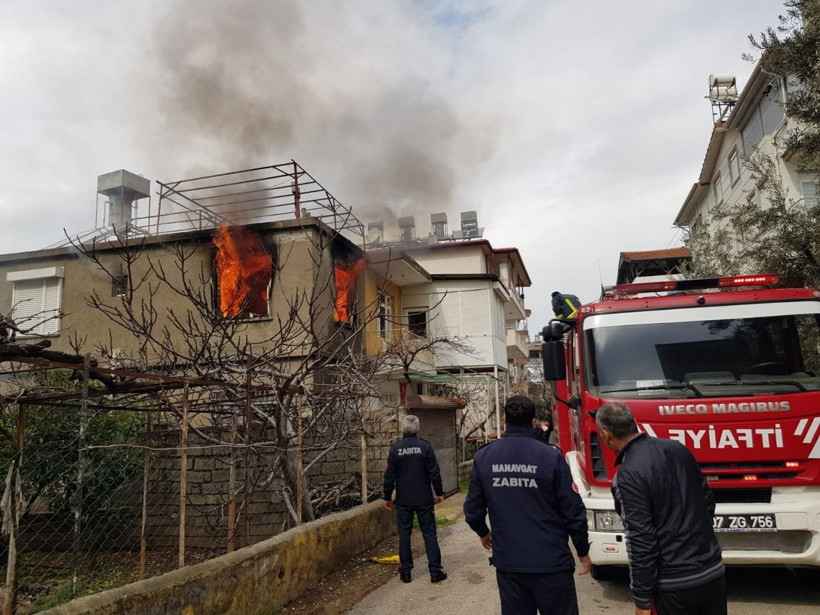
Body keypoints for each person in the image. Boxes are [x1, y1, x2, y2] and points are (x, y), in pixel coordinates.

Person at [464, 395, 591, 614]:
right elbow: (573, 510)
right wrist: (583, 551)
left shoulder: (484, 457)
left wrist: (483, 533)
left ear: (504, 419)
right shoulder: (550, 457)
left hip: (510, 564)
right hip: (551, 562)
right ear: (533, 422)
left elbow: (473, 510)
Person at [596, 402, 726, 615]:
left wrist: (641, 600)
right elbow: (707, 503)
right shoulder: (677, 449)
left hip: (673, 585)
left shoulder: (627, 475)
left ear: (606, 435)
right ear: (633, 423)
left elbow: (640, 540)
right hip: (712, 572)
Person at [383, 414, 447, 584]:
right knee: (429, 533)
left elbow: (389, 476)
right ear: (418, 428)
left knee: (404, 534)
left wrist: (387, 497)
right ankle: (435, 571)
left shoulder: (395, 449)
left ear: (402, 429)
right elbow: (434, 472)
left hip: (403, 500)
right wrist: (439, 493)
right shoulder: (425, 447)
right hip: (424, 499)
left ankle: (406, 573)